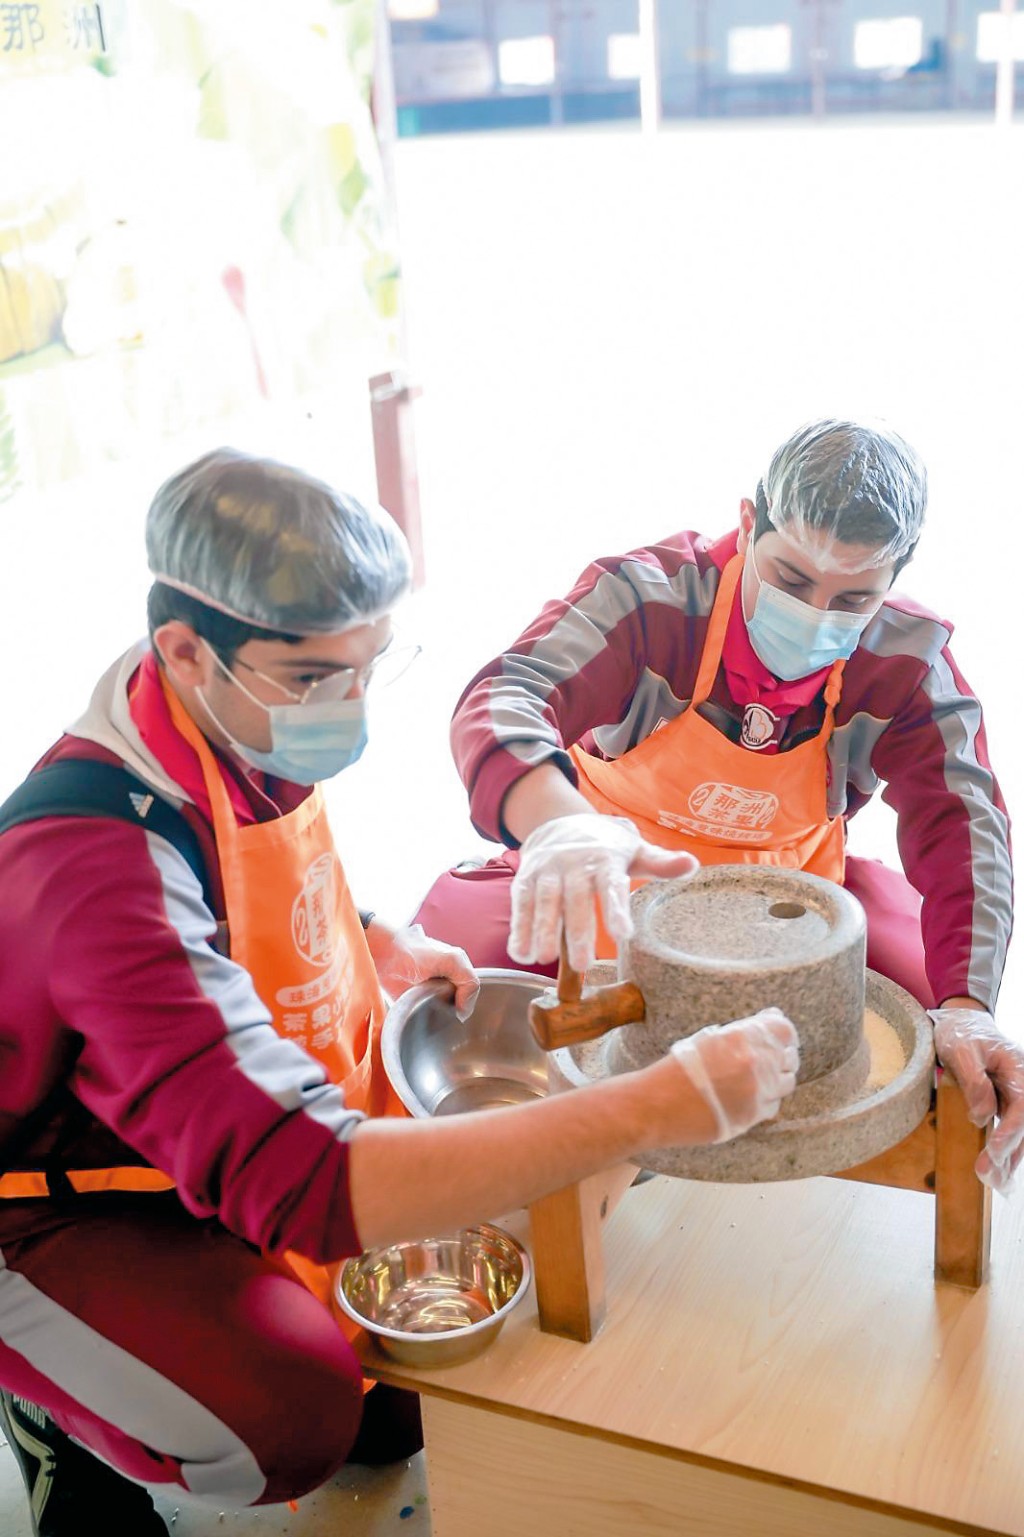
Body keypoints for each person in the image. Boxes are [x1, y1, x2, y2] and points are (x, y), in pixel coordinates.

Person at [0, 448, 800, 1536]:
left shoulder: (220, 709)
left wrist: (371, 935)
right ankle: (56, 1414)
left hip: (169, 1114)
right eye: (319, 677)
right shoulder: (93, 867)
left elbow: (248, 871)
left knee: (394, 1392)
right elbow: (311, 1183)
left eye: (373, 664)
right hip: (47, 1197)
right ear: (186, 650)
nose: (352, 704)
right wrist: (661, 1106)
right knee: (288, 1417)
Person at [415, 417, 1024, 1194]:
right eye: (793, 580)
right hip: (609, 886)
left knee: (930, 1021)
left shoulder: (908, 661)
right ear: (747, 523)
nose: (818, 615)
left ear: (895, 579)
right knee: (454, 984)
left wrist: (968, 1004)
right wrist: (561, 823)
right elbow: (505, 694)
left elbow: (965, 823)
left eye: (855, 598)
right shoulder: (648, 598)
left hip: (793, 909)